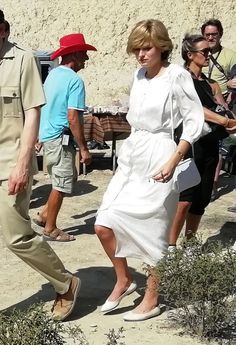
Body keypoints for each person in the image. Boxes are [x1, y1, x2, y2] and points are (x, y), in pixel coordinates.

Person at [95, 19, 204, 321]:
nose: (141, 55)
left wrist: (174, 159)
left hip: (161, 154)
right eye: (136, 49)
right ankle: (124, 279)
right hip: (133, 154)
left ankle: (152, 298)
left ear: (162, 47)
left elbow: (194, 120)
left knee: (154, 233)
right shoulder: (138, 75)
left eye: (147, 48)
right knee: (104, 223)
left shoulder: (177, 76)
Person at [0, 9, 80, 321]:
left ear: (2, 29)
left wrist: (23, 165)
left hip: (9, 163)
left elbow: (33, 112)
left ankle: (66, 282)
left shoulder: (22, 60)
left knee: (17, 236)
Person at [168, 34, 236, 249]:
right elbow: (197, 110)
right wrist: (224, 120)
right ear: (190, 55)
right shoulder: (181, 79)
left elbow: (221, 106)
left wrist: (229, 118)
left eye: (210, 52)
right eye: (204, 52)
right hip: (189, 144)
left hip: (210, 144)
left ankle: (189, 244)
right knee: (185, 198)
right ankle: (170, 247)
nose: (208, 55)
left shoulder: (211, 84)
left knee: (202, 198)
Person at [34, 34, 95, 241]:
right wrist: (84, 148)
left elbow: (44, 107)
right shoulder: (75, 80)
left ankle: (44, 215)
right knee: (61, 185)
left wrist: (39, 135)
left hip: (50, 137)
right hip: (61, 140)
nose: (86, 58)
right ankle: (50, 228)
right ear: (75, 54)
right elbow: (73, 117)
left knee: (61, 180)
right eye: (84, 53)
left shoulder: (52, 76)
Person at [201, 19, 236, 196]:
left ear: (220, 34)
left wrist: (232, 83)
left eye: (214, 34)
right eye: (207, 34)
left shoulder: (230, 55)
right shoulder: (198, 52)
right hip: (201, 103)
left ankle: (212, 186)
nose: (210, 37)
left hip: (221, 104)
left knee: (219, 146)